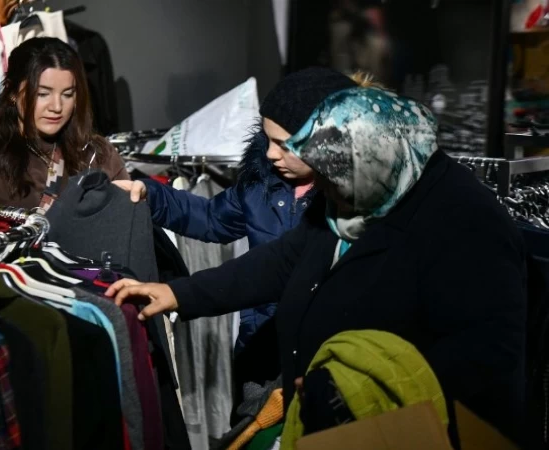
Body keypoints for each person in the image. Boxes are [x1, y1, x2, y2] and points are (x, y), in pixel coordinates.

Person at [107, 86, 526, 444]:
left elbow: (486, 357)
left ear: (372, 158)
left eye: (332, 180)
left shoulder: (466, 220)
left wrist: (350, 389)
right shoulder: (364, 197)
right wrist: (179, 293)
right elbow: (280, 261)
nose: (321, 190)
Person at [115, 67, 372, 356]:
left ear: (326, 142)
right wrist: (151, 194)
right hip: (261, 347)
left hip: (328, 353)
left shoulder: (355, 204)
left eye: (284, 145)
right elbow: (210, 218)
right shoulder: (261, 182)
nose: (271, 154)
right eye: (268, 139)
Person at [0, 37, 128, 209]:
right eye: (42, 94)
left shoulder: (97, 154)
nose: (56, 107)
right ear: (12, 92)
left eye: (67, 94)